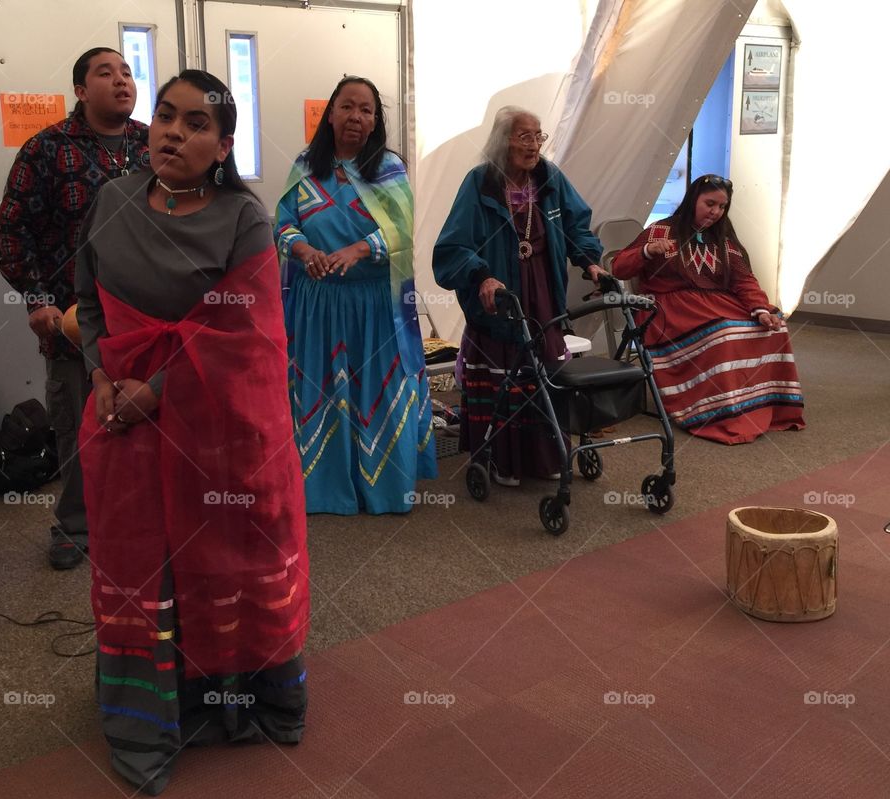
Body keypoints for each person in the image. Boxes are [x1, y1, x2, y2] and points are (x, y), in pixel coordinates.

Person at [75, 70, 309, 795]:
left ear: (223, 145)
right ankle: (152, 719)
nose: (173, 131)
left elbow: (249, 338)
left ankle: (233, 699)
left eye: (196, 123)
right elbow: (86, 304)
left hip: (218, 432)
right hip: (122, 424)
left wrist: (161, 390)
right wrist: (102, 379)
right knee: (147, 569)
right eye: (166, 116)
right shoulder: (111, 202)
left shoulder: (245, 219)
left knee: (223, 563)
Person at [0, 47, 149, 569]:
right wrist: (38, 300)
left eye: (127, 72)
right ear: (81, 91)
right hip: (73, 321)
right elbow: (12, 232)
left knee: (149, 416)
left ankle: (141, 517)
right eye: (105, 73)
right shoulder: (47, 149)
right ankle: (75, 525)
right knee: (81, 423)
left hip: (147, 316)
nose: (121, 81)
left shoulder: (153, 144)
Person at [276, 76, 436, 515]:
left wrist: (359, 249)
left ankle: (381, 489)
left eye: (367, 110)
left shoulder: (388, 169)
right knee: (319, 388)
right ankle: (323, 488)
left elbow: (402, 232)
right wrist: (304, 249)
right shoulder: (306, 165)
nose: (356, 117)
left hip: (374, 304)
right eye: (348, 107)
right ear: (330, 113)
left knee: (378, 391)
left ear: (375, 121)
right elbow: (283, 224)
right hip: (317, 302)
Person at [432, 106, 604, 486]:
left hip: (542, 291)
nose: (534, 145)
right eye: (524, 136)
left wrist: (590, 262)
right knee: (503, 372)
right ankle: (499, 459)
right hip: (500, 296)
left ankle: (546, 458)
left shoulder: (550, 178)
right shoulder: (479, 183)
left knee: (546, 368)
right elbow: (453, 246)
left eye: (538, 136)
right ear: (502, 140)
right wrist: (482, 277)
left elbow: (577, 225)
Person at [611, 174, 805, 444]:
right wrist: (647, 251)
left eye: (722, 206)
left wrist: (760, 309)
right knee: (723, 333)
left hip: (715, 304)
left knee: (774, 327)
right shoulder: (660, 231)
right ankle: (722, 414)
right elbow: (619, 267)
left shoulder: (722, 239)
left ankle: (763, 409)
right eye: (709, 203)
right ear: (693, 200)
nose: (715, 212)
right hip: (669, 309)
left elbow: (744, 281)